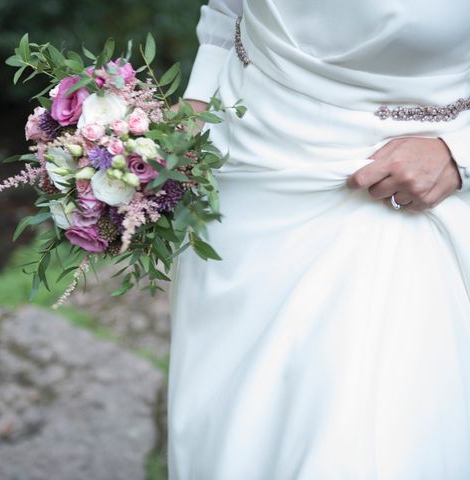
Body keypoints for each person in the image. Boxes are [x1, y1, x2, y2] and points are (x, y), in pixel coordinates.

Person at [167, 0, 470, 478]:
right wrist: (196, 102)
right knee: (239, 437)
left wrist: (459, 151)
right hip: (243, 184)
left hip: (396, 195)